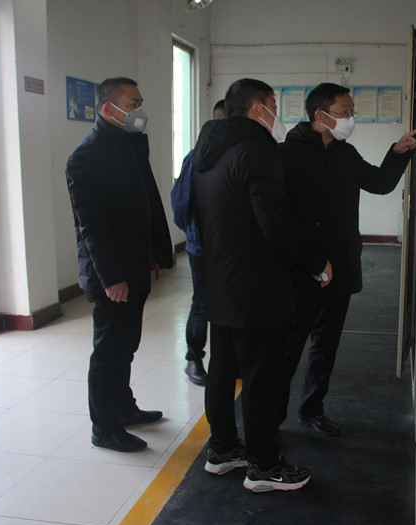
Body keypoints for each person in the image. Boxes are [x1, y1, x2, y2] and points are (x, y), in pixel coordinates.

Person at [191, 78, 333, 492]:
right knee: (262, 379)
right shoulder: (256, 149)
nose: (276, 112)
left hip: (219, 280)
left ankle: (222, 450)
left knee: (223, 372)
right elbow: (275, 218)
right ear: (258, 107)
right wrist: (316, 262)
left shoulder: (207, 152)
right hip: (256, 286)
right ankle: (264, 466)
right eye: (273, 103)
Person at [277, 82, 416, 436]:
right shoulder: (286, 155)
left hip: (339, 267)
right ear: (320, 114)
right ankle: (271, 423)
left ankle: (312, 408)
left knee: (326, 347)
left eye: (351, 111)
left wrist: (398, 152)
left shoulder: (345, 153)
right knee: (287, 351)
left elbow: (380, 182)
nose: (351, 118)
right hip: (301, 270)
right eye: (345, 112)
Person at [66, 77, 174, 452]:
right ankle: (104, 427)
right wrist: (112, 278)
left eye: (140, 102)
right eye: (132, 103)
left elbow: (145, 200)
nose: (138, 110)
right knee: (109, 352)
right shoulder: (87, 155)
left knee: (126, 345)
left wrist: (157, 250)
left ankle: (124, 408)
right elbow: (92, 226)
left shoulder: (132, 143)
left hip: (134, 264)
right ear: (107, 108)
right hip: (111, 274)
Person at [171, 100, 226, 386]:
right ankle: (194, 359)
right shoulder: (195, 158)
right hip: (202, 247)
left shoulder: (243, 154)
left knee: (229, 304)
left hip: (231, 249)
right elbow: (181, 203)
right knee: (202, 303)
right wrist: (195, 233)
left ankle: (227, 361)